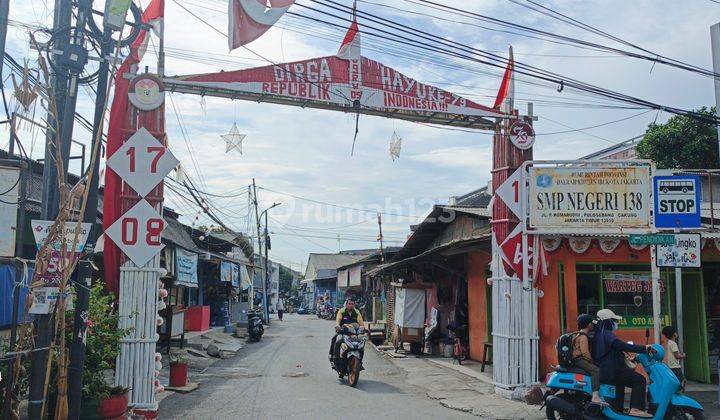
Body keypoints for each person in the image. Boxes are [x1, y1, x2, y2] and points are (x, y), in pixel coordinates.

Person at [592, 309, 654, 418]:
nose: (616, 323)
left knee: (620, 389)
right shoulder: (607, 334)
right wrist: (644, 348)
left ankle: (619, 412)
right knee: (639, 380)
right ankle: (636, 409)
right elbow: (622, 346)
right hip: (613, 371)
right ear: (608, 321)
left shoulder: (599, 334)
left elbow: (612, 351)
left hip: (607, 371)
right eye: (614, 320)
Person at [572, 314, 603, 404]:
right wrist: (592, 361)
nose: (592, 325)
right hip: (579, 360)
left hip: (576, 359)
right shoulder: (583, 337)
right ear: (588, 325)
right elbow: (585, 353)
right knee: (596, 370)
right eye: (591, 323)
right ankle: (595, 396)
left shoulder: (577, 334)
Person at [328, 297, 365, 367]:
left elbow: (361, 322)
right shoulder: (341, 311)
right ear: (346, 304)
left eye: (352, 304)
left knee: (362, 343)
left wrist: (363, 327)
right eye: (349, 304)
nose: (351, 305)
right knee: (336, 340)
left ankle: (359, 361)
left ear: (354, 305)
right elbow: (338, 319)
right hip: (343, 332)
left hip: (354, 333)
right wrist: (337, 325)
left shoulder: (357, 312)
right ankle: (333, 358)